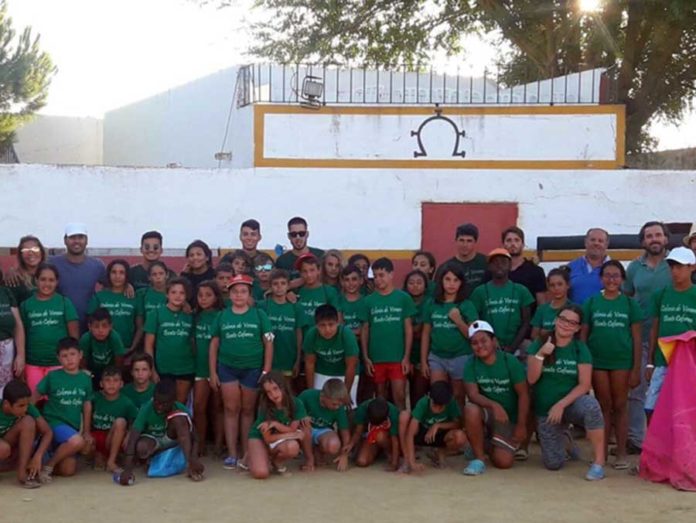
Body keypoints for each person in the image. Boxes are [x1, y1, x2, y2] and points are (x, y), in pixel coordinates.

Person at [526, 304, 606, 480]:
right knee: (553, 464)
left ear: (577, 327)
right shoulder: (540, 343)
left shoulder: (580, 349)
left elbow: (585, 385)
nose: (566, 324)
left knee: (591, 406)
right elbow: (531, 379)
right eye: (563, 319)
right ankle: (567, 442)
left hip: (569, 405)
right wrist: (541, 354)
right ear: (556, 320)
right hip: (546, 410)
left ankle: (599, 462)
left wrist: (561, 404)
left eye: (572, 322)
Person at [581, 260, 642, 469]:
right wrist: (583, 365)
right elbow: (583, 336)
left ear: (622, 279)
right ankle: (602, 452)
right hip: (597, 361)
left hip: (622, 361)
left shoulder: (629, 304)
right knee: (603, 405)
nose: (611, 279)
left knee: (620, 405)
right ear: (601, 278)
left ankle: (622, 453)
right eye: (607, 275)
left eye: (616, 275)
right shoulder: (591, 302)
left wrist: (636, 369)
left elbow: (636, 339)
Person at [209, 274, 273, 470]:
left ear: (249, 294)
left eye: (243, 291)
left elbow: (269, 341)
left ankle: (246, 452)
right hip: (227, 367)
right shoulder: (222, 315)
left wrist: (266, 369)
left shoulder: (259, 315)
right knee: (230, 409)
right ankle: (231, 453)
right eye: (235, 291)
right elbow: (214, 344)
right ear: (229, 295)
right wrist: (213, 372)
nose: (239, 295)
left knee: (247, 411)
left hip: (252, 368)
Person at [623, 221, 671, 453]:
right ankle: (637, 440)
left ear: (665, 239)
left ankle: (671, 440)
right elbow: (627, 297)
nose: (654, 239)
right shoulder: (634, 268)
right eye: (649, 235)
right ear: (643, 241)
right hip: (641, 338)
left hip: (674, 340)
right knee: (638, 389)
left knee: (674, 390)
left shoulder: (677, 265)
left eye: (658, 235)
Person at [462, 320, 529, 475]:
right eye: (474, 343)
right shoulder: (470, 364)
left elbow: (524, 394)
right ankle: (479, 459)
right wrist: (494, 405)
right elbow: (472, 394)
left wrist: (521, 424)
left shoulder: (509, 361)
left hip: (508, 418)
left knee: (504, 462)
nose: (480, 346)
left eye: (484, 341)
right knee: (470, 409)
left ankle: (483, 443)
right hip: (489, 414)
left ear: (494, 341)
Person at [119, 378, 204, 484]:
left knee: (179, 418)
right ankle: (150, 460)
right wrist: (127, 470)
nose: (159, 406)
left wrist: (194, 459)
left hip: (172, 442)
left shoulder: (180, 409)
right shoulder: (147, 408)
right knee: (141, 447)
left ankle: (189, 464)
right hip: (153, 440)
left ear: (173, 401)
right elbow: (133, 438)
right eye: (156, 401)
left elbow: (195, 438)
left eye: (164, 403)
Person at [645, 247, 696, 424]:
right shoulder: (661, 295)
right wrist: (650, 362)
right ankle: (657, 448)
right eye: (672, 267)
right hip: (663, 361)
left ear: (692, 267)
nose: (675, 271)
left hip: (690, 363)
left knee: (686, 409)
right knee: (651, 407)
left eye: (680, 267)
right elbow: (655, 328)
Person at [34, 337, 94, 481]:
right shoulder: (53, 376)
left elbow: (87, 404)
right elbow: (33, 398)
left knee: (68, 470)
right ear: (58, 358)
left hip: (71, 428)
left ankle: (47, 462)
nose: (69, 359)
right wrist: (37, 419)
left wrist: (86, 431)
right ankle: (48, 466)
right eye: (64, 356)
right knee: (77, 442)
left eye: (72, 354)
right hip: (53, 423)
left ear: (80, 355)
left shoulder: (85, 378)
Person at [421, 262, 477, 412]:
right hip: (437, 357)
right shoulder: (431, 304)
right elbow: (426, 333)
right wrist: (423, 360)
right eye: (447, 279)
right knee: (438, 394)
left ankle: (458, 426)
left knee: (458, 396)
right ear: (441, 281)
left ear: (461, 283)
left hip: (461, 356)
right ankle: (441, 428)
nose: (451, 284)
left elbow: (473, 336)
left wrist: (458, 321)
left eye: (455, 280)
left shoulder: (467, 305)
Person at [362, 257, 416, 410]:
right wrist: (366, 357)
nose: (378, 280)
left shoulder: (403, 298)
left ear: (391, 274)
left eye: (382, 275)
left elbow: (408, 329)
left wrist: (406, 357)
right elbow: (365, 330)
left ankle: (400, 431)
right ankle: (383, 430)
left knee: (399, 396)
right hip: (376, 358)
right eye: (375, 276)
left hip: (397, 358)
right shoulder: (368, 301)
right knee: (380, 397)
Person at [20, 263, 79, 392]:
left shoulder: (64, 302)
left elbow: (74, 337)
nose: (47, 283)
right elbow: (21, 335)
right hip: (33, 363)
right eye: (43, 279)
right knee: (35, 400)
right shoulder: (26, 305)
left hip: (59, 364)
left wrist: (73, 363)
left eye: (51, 280)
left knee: (57, 400)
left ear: (57, 282)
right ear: (36, 280)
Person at [247, 371, 312, 478]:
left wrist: (276, 425)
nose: (273, 394)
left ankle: (276, 461)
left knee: (293, 447)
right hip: (259, 437)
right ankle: (252, 456)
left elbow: (292, 429)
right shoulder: (264, 407)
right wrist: (292, 435)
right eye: (268, 392)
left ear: (283, 387)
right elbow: (268, 439)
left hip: (279, 438)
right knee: (261, 473)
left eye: (275, 388)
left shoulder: (296, 403)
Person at [469, 249, 534, 355]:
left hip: (518, 343)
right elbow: (475, 322)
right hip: (488, 344)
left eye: (503, 262)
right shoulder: (479, 292)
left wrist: (513, 347)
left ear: (510, 265)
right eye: (495, 262)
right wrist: (491, 341)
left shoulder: (521, 290)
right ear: (489, 267)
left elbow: (526, 322)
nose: (499, 265)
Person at [144, 277, 195, 403]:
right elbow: (148, 345)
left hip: (186, 367)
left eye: (182, 293)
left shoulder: (190, 315)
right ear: (167, 294)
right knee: (164, 404)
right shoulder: (156, 313)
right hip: (164, 368)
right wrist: (152, 370)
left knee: (179, 405)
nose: (177, 296)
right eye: (173, 292)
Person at [399, 380, 467, 473]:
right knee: (404, 416)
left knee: (460, 437)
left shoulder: (451, 402)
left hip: (441, 435)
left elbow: (458, 424)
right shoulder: (423, 403)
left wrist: (438, 425)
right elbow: (410, 434)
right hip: (422, 434)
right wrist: (412, 462)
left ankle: (440, 452)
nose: (438, 409)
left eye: (441, 406)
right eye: (435, 405)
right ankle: (407, 460)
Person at [49, 223, 107, 332]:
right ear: (65, 240)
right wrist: (12, 271)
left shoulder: (97, 265)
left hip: (89, 327)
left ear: (86, 240)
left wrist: (127, 285)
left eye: (80, 237)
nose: (76, 241)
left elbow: (112, 286)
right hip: (59, 324)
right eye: (72, 237)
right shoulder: (52, 263)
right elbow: (30, 271)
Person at [0, 379, 52, 488]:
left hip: (8, 444)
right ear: (6, 404)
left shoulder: (28, 408)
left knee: (28, 421)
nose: (25, 408)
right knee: (3, 448)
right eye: (21, 406)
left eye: (27, 405)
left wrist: (38, 455)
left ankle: (22, 473)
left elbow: (47, 432)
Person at [304, 304, 359, 405]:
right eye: (322, 325)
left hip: (344, 372)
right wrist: (311, 392)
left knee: (346, 406)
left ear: (338, 323)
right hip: (321, 371)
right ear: (316, 325)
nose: (327, 329)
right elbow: (309, 364)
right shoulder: (311, 335)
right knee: (320, 403)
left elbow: (351, 366)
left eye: (331, 324)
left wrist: (345, 393)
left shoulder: (346, 334)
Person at [192, 280, 223, 456]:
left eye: (208, 295)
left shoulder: (222, 315)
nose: (203, 299)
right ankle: (200, 443)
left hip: (220, 368)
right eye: (200, 295)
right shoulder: (194, 316)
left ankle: (218, 444)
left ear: (216, 296)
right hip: (199, 368)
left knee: (218, 407)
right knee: (198, 406)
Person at [257, 269, 301, 388]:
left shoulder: (295, 307)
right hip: (267, 360)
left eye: (283, 283)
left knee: (286, 391)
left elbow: (298, 333)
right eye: (275, 284)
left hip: (288, 358)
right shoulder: (263, 306)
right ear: (270, 286)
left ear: (288, 286)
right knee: (267, 391)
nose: (279, 287)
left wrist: (298, 359)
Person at [88, 366, 137, 472]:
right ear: (101, 384)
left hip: (113, 438)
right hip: (96, 436)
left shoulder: (126, 402)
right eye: (107, 381)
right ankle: (98, 456)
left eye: (115, 381)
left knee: (121, 422)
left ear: (121, 384)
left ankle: (111, 461)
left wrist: (129, 435)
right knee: (84, 443)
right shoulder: (94, 398)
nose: (111, 384)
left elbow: (134, 420)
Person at [298, 379, 351, 472]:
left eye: (340, 404)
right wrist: (301, 416)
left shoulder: (339, 407)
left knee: (334, 445)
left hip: (323, 431)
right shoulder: (307, 395)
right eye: (334, 404)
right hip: (303, 430)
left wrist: (344, 455)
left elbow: (345, 432)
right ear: (323, 396)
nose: (337, 407)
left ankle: (318, 451)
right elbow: (292, 409)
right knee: (305, 427)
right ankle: (309, 459)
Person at [88, 259, 139, 354]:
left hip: (127, 349)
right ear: (109, 274)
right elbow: (91, 324)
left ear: (126, 275)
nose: (117, 276)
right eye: (114, 272)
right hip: (103, 350)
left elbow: (140, 326)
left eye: (121, 272)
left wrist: (133, 347)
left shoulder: (134, 297)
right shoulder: (99, 296)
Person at [339, 265, 372, 403]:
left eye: (354, 279)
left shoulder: (366, 301)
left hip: (364, 350)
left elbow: (366, 328)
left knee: (364, 390)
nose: (350, 283)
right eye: (347, 280)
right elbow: (339, 327)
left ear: (361, 281)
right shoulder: (338, 300)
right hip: (344, 352)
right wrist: (356, 332)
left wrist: (351, 331)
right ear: (342, 282)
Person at [403, 269, 430, 408]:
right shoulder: (400, 300)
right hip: (403, 354)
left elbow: (425, 331)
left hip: (423, 355)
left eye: (419, 282)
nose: (415, 286)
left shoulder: (430, 303)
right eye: (411, 283)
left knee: (418, 394)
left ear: (426, 286)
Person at [295, 253, 341, 335]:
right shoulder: (298, 291)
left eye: (312, 270)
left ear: (319, 270)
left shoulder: (329, 291)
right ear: (300, 273)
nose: (309, 275)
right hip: (304, 339)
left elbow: (338, 318)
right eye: (304, 271)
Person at [350, 396, 400, 471]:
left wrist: (394, 464)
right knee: (361, 461)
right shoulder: (362, 408)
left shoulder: (393, 413)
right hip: (370, 437)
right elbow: (358, 432)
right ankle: (377, 451)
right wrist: (350, 445)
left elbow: (395, 440)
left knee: (380, 436)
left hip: (386, 438)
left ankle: (389, 453)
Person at [79, 308, 125, 386]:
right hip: (91, 372)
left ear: (110, 326)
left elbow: (119, 362)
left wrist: (112, 378)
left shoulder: (115, 338)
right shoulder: (85, 339)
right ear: (89, 327)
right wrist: (89, 375)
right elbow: (82, 362)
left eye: (104, 326)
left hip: (111, 372)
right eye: (96, 327)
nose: (100, 330)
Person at [502, 226, 546, 307]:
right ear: (503, 245)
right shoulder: (496, 271)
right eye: (509, 240)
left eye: (517, 240)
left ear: (523, 244)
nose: (513, 244)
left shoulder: (536, 271)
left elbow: (541, 305)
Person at [438, 223, 488, 294]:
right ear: (456, 241)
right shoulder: (445, 267)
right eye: (461, 240)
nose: (465, 245)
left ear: (475, 242)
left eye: (469, 241)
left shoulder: (487, 263)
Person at [567, 228, 610, 305]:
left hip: (604, 314)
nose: (596, 243)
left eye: (600, 241)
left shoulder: (615, 269)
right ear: (586, 242)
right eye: (592, 240)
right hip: (576, 314)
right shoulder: (571, 267)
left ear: (606, 245)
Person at [0, 268, 25, 396]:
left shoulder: (5, 292)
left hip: (6, 353)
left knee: (5, 392)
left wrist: (20, 355)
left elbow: (18, 324)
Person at [531, 267, 572, 341]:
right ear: (548, 287)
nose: (556, 288)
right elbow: (534, 335)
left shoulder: (574, 308)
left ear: (568, 285)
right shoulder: (542, 309)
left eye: (560, 284)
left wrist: (546, 333)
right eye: (552, 285)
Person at [4, 235, 47, 303]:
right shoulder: (15, 279)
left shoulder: (50, 273)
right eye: (25, 250)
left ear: (42, 252)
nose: (30, 253)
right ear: (20, 255)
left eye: (35, 249)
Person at [134, 261, 169, 326]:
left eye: (161, 273)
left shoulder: (173, 294)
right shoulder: (142, 294)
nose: (158, 277)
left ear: (167, 275)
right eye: (154, 274)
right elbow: (140, 324)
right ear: (149, 277)